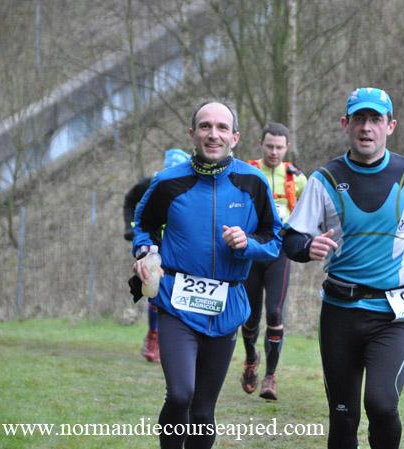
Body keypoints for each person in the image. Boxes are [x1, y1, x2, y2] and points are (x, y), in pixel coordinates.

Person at [282, 87, 404, 449]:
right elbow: (291, 238)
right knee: (343, 416)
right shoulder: (324, 179)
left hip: (393, 312)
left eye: (375, 119)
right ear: (346, 124)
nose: (366, 127)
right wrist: (308, 247)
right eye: (359, 119)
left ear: (390, 126)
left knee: (382, 405)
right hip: (340, 312)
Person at [131, 100, 282, 449]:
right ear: (192, 134)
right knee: (180, 394)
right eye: (205, 126)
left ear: (235, 137)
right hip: (176, 303)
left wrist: (247, 244)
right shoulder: (168, 181)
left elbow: (274, 239)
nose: (213, 134)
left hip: (225, 307)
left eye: (222, 127)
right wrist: (146, 252)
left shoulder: (253, 182)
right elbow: (145, 225)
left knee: (202, 410)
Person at [239, 122, 307, 400]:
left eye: (279, 147)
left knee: (275, 313)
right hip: (252, 249)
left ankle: (270, 376)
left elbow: (308, 214)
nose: (274, 152)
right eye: (270, 146)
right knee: (250, 316)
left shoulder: (297, 179)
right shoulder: (246, 172)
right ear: (261, 144)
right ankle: (250, 359)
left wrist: (303, 240)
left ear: (287, 147)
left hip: (279, 252)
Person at [124, 148, 190, 363]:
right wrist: (130, 227)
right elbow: (129, 200)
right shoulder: (150, 184)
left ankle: (175, 339)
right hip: (153, 246)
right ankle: (154, 336)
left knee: (174, 293)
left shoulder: (190, 186)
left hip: (178, 248)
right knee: (154, 289)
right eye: (168, 170)